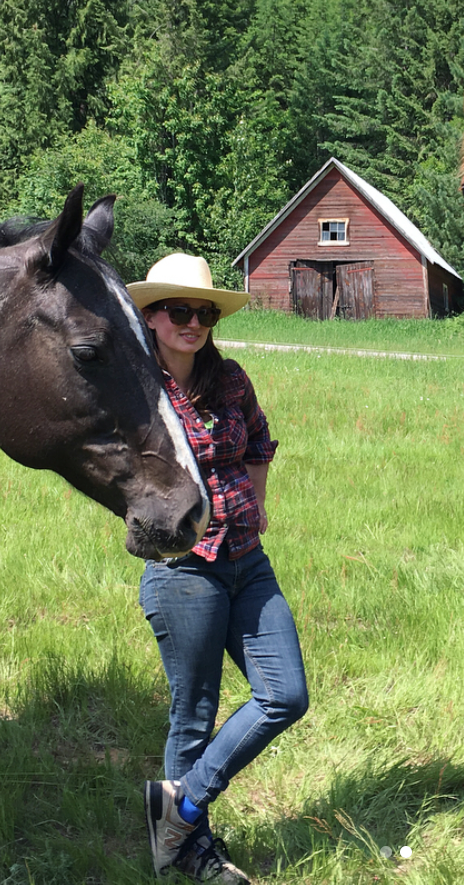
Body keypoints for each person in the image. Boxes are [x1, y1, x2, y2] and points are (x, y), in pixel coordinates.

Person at [127, 254, 308, 883]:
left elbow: (257, 440)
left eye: (203, 312)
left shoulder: (229, 378)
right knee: (194, 712)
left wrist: (255, 504)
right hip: (184, 568)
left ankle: (181, 805)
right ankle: (190, 851)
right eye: (179, 310)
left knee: (286, 694)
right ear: (150, 317)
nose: (194, 322)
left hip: (247, 561)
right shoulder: (135, 389)